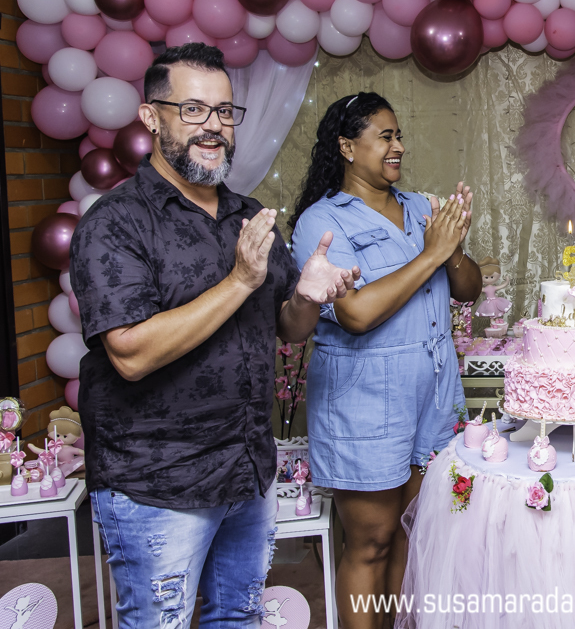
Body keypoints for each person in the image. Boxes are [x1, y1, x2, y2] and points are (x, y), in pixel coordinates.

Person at [70, 43, 358, 628]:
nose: (214, 126)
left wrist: (308, 295)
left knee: (238, 619)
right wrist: (240, 280)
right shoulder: (116, 222)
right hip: (157, 485)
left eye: (225, 111)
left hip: (245, 470)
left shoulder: (247, 215)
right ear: (151, 117)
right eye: (193, 109)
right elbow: (129, 353)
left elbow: (287, 330)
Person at [288, 92, 482, 629]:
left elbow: (468, 290)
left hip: (433, 396)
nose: (398, 146)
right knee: (371, 542)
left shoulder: (421, 207)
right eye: (385, 136)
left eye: (399, 136)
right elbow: (355, 313)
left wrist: (453, 245)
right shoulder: (322, 222)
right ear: (347, 147)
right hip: (366, 400)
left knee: (414, 532)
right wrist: (430, 253)